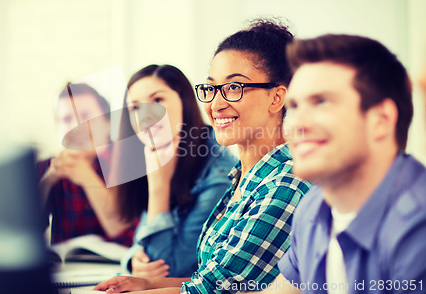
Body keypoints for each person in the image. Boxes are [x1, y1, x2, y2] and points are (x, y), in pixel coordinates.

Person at [95, 19, 312, 293]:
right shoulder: (243, 178)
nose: (216, 104)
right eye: (211, 88)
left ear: (276, 98)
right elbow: (213, 280)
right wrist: (145, 281)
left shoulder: (286, 183)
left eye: (234, 87)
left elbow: (216, 291)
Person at [250, 34, 426, 293]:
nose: (296, 124)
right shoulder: (313, 207)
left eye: (321, 102)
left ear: (381, 120)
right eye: (295, 106)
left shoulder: (417, 226)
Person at [111, 64, 236, 278]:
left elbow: (169, 269)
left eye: (158, 100)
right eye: (135, 107)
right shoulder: (158, 154)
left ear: (184, 103)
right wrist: (132, 260)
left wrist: (158, 187)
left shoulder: (219, 173)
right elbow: (142, 243)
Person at [37, 83, 136, 246]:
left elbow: (126, 234)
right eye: (66, 119)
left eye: (85, 116)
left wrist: (87, 178)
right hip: (69, 269)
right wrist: (47, 182)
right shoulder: (48, 168)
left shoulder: (127, 163)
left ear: (107, 123)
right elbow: (19, 233)